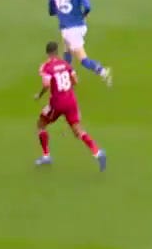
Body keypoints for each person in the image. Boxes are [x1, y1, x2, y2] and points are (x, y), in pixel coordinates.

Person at [36, 41, 106, 170]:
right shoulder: (65, 64)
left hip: (57, 103)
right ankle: (97, 152)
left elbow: (46, 84)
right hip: (71, 100)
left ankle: (46, 156)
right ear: (57, 52)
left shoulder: (46, 67)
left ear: (47, 53)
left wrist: (39, 95)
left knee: (41, 124)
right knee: (77, 129)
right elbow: (75, 81)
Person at [48, 0, 112, 85]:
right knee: (67, 50)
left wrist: (63, 14)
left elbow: (51, 12)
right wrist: (84, 15)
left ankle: (103, 72)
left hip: (69, 28)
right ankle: (68, 77)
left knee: (83, 60)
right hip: (76, 26)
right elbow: (88, 7)